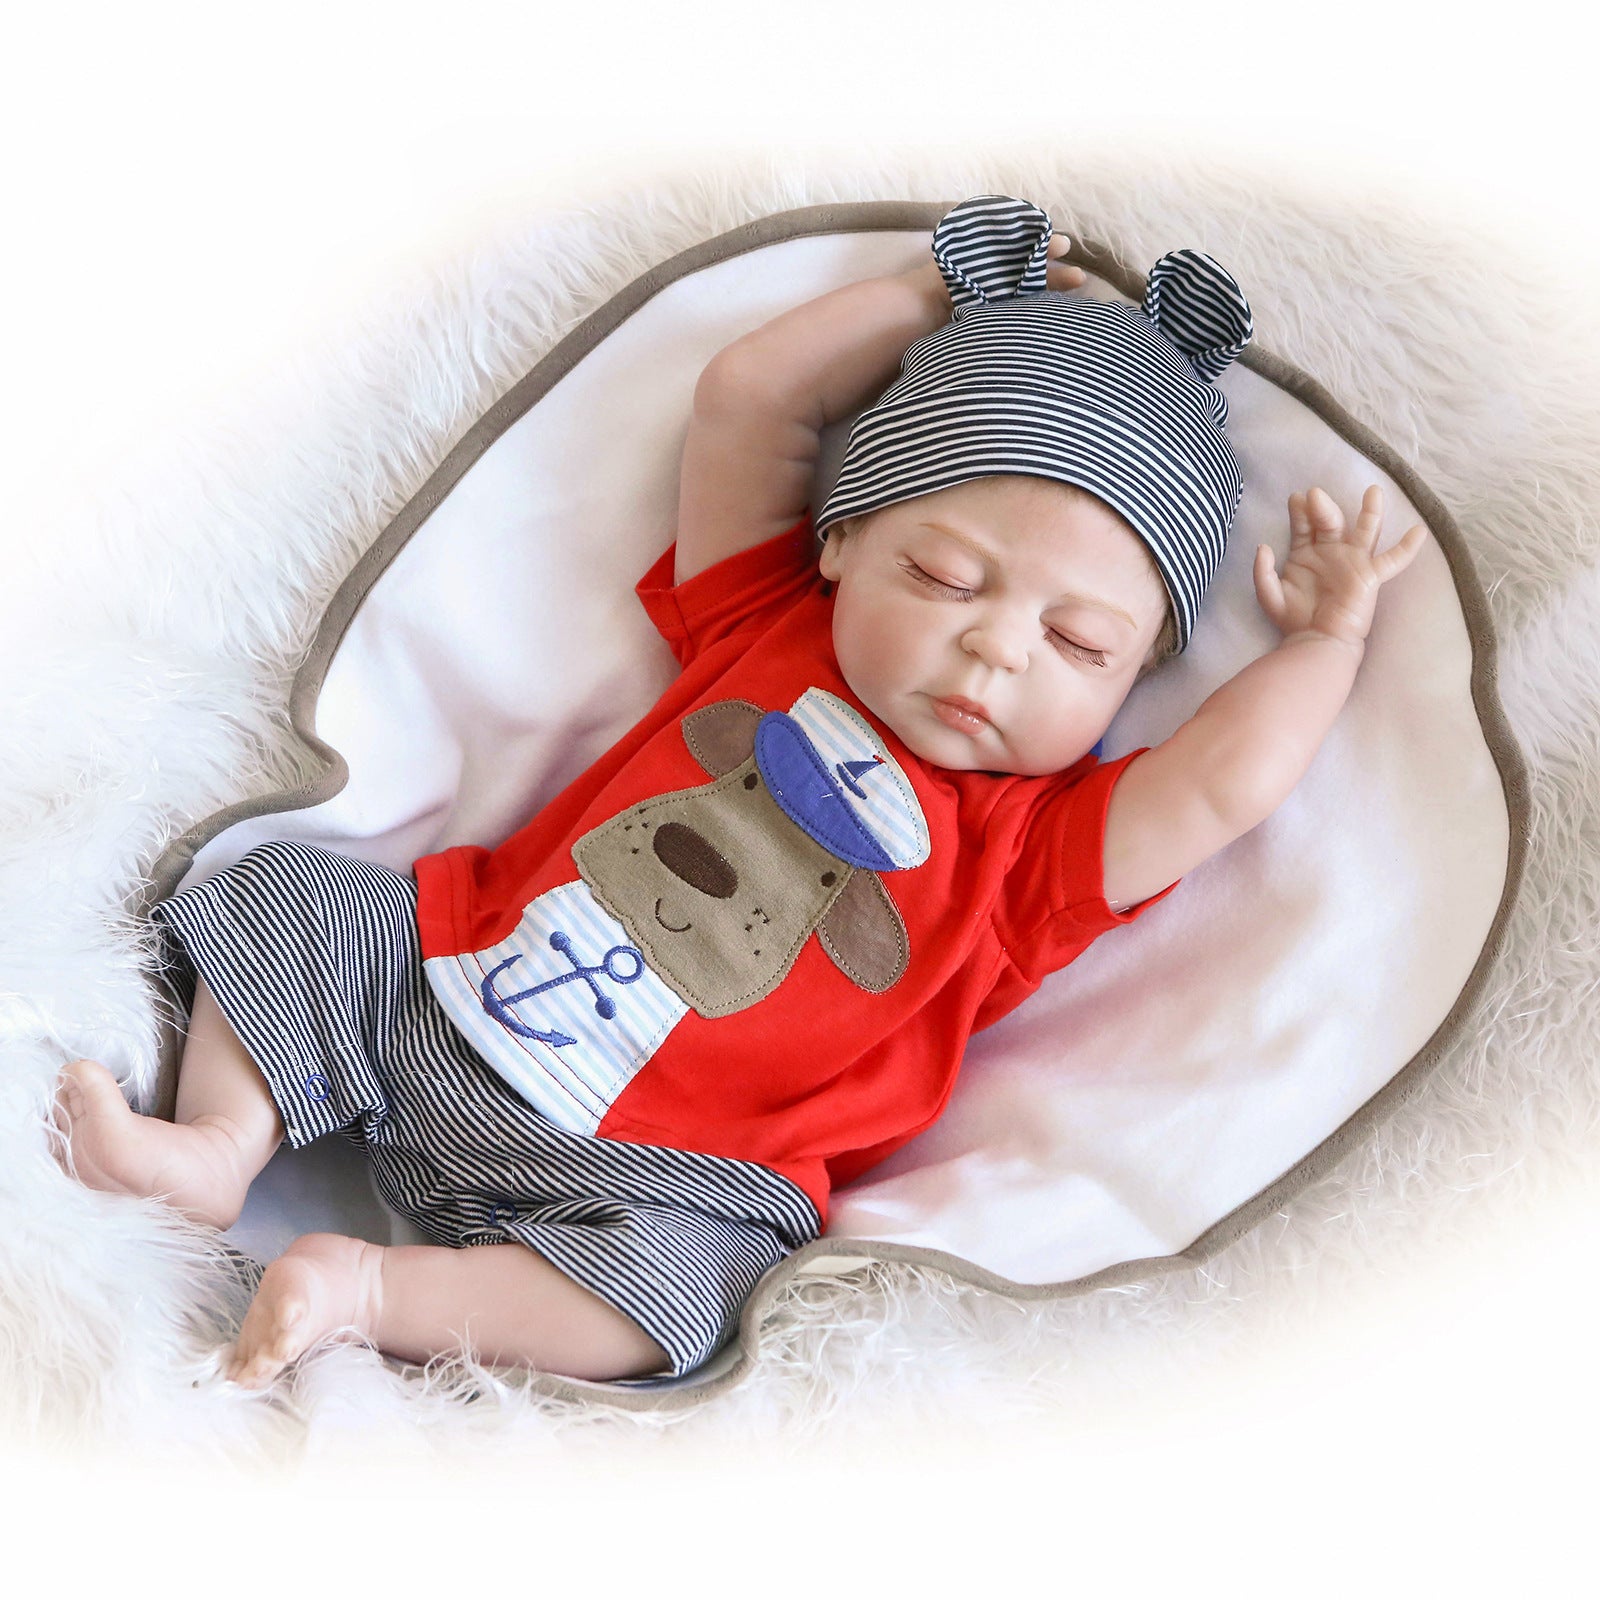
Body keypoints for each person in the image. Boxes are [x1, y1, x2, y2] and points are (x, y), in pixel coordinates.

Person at [51, 196, 1426, 1388]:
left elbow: (1227, 782)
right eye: (946, 576)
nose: (997, 648)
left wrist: (1326, 641)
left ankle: (365, 1290)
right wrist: (927, 294)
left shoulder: (1032, 855)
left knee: (685, 1303)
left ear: (1127, 686)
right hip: (442, 978)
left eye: (1078, 645)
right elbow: (751, 401)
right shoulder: (762, 627)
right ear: (841, 542)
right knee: (285, 895)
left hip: (668, 1173)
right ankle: (222, 1141)